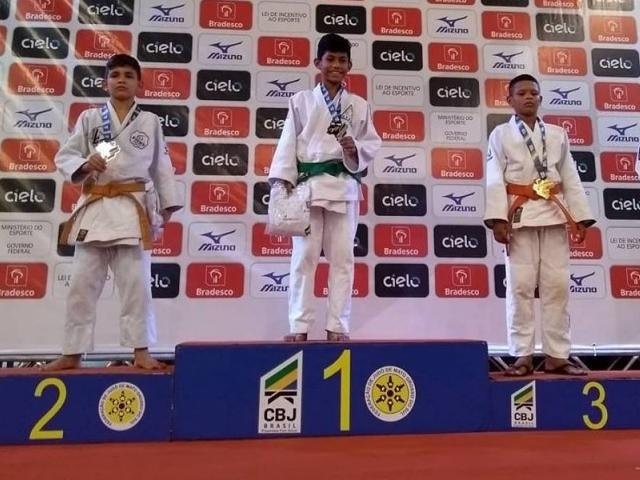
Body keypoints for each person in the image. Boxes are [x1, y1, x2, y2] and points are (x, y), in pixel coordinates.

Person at [44, 54, 182, 370]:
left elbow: (161, 165)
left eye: (129, 75)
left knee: (137, 285)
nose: (121, 80)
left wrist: (168, 204)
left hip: (132, 210)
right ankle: (72, 352)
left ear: (139, 83)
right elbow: (66, 155)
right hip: (95, 207)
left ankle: (141, 350)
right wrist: (83, 164)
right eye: (115, 75)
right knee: (81, 284)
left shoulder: (150, 121)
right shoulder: (90, 119)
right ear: (105, 82)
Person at [268, 33, 381, 342]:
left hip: (344, 188)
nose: (336, 65)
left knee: (343, 259)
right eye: (330, 59)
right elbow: (287, 146)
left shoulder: (359, 105)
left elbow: (372, 144)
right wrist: (282, 187)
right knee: (303, 258)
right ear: (317, 63)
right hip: (309, 189)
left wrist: (353, 146)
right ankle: (299, 326)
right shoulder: (301, 101)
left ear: (350, 66)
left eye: (342, 60)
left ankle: (337, 327)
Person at [484, 74, 595, 376]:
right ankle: (521, 355)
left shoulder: (558, 134)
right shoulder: (500, 134)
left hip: (554, 215)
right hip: (519, 217)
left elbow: (570, 176)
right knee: (519, 287)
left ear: (541, 98)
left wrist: (580, 218)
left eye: (534, 93)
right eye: (521, 93)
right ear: (510, 100)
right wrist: (497, 219)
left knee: (557, 286)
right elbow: (494, 179)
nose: (529, 97)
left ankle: (557, 355)